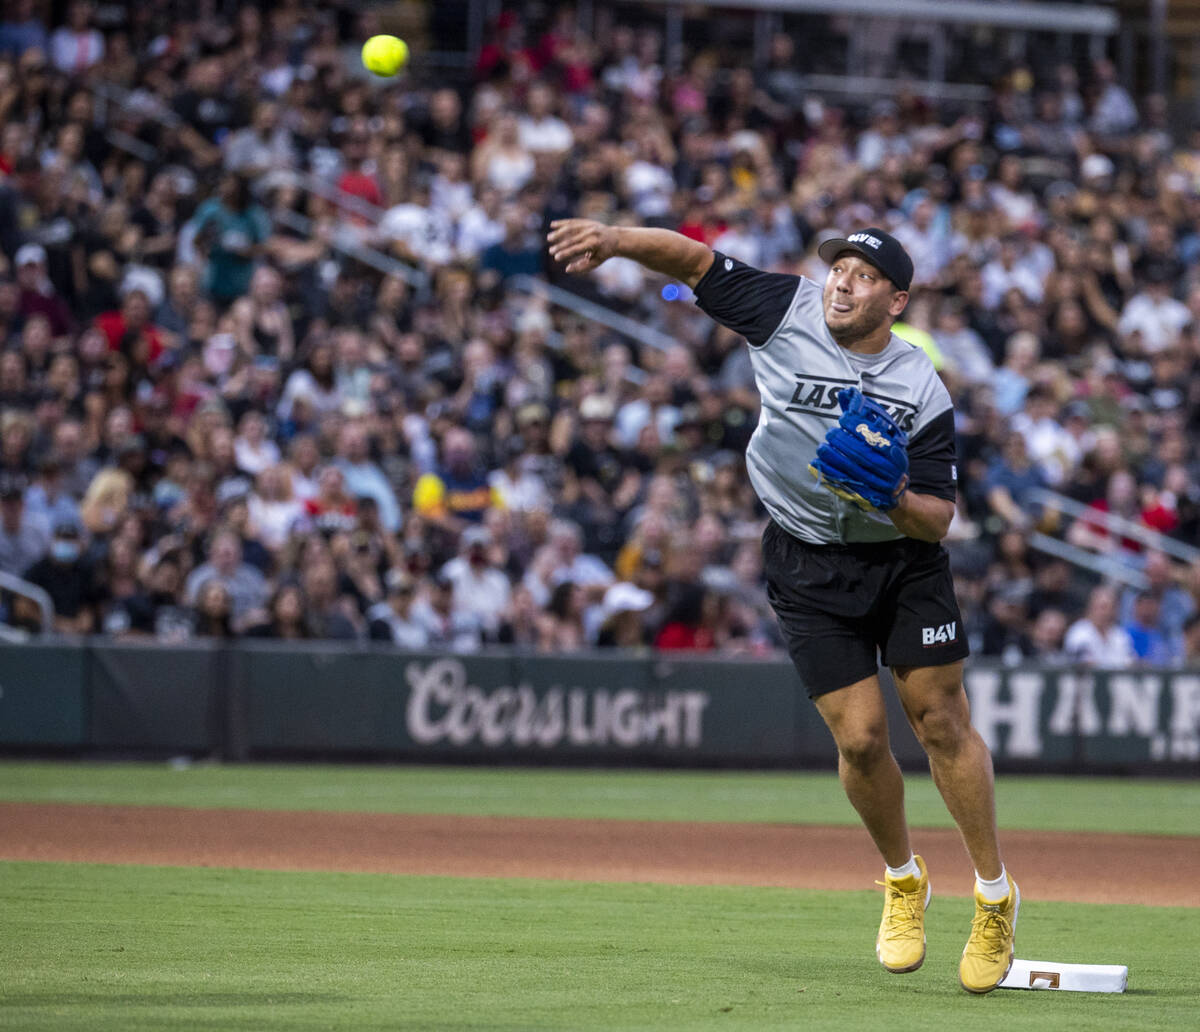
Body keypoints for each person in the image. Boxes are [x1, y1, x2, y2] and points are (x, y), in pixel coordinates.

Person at [548, 218, 1018, 992]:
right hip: (804, 558)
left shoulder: (920, 385)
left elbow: (940, 516)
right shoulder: (784, 308)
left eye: (864, 277)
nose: (842, 281)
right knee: (863, 740)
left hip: (902, 562)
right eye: (839, 268)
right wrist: (615, 238)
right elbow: (693, 261)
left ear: (896, 299)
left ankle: (995, 895)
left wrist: (893, 495)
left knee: (938, 719)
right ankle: (904, 881)